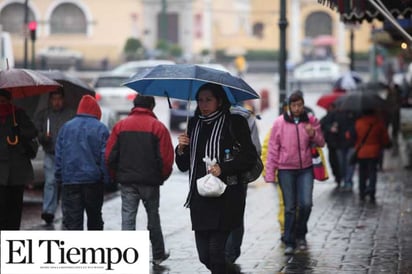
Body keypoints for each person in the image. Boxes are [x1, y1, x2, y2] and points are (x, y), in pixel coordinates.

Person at [176, 83, 257, 273]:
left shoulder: (235, 122)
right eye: (200, 100)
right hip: (200, 199)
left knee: (216, 252)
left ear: (219, 101)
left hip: (226, 197)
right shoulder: (194, 125)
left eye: (208, 100)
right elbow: (183, 166)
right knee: (204, 256)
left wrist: (224, 168)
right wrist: (180, 149)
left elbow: (249, 157)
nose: (203, 104)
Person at [105, 95, 174, 266]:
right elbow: (166, 159)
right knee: (153, 218)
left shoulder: (120, 126)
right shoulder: (158, 127)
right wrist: (161, 177)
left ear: (134, 105)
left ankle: (128, 258)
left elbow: (109, 156)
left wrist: (116, 175)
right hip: (150, 182)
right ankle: (158, 254)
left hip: (127, 181)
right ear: (151, 106)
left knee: (128, 218)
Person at [264, 91, 325, 255]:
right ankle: (290, 241)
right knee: (290, 207)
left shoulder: (311, 121)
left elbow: (321, 142)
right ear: (289, 106)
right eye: (294, 105)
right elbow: (272, 149)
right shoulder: (280, 123)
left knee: (306, 204)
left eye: (299, 105)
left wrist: (314, 134)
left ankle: (301, 234)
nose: (297, 108)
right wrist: (270, 173)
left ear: (303, 105)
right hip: (286, 170)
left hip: (305, 169)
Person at [55, 95, 110, 230]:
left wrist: (59, 176)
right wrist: (107, 177)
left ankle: (76, 249)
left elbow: (59, 155)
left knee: (73, 221)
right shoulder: (101, 129)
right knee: (94, 218)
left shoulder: (66, 127)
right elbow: (105, 156)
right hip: (93, 180)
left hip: (70, 180)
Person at [225, 104, 261, 264]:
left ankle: (226, 253)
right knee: (236, 212)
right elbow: (256, 149)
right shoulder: (247, 116)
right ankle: (231, 253)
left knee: (223, 212)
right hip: (239, 175)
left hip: (225, 174)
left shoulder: (243, 117)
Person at [34, 89, 75, 225]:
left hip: (66, 155)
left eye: (59, 99)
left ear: (63, 100)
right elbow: (36, 132)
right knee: (50, 182)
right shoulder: (44, 115)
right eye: (54, 99)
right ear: (50, 100)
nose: (57, 102)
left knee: (65, 184)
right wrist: (43, 137)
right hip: (50, 153)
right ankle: (48, 211)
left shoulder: (70, 115)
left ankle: (66, 211)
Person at [0, 89, 38, 230]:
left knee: (15, 207)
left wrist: (20, 132)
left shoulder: (18, 114)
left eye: (4, 101)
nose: (2, 104)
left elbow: (32, 132)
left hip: (17, 170)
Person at [355, 109, 390, 203]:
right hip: (374, 152)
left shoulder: (358, 123)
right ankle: (371, 190)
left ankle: (362, 191)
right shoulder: (378, 123)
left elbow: (353, 137)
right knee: (372, 172)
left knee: (362, 173)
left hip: (361, 152)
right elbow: (384, 137)